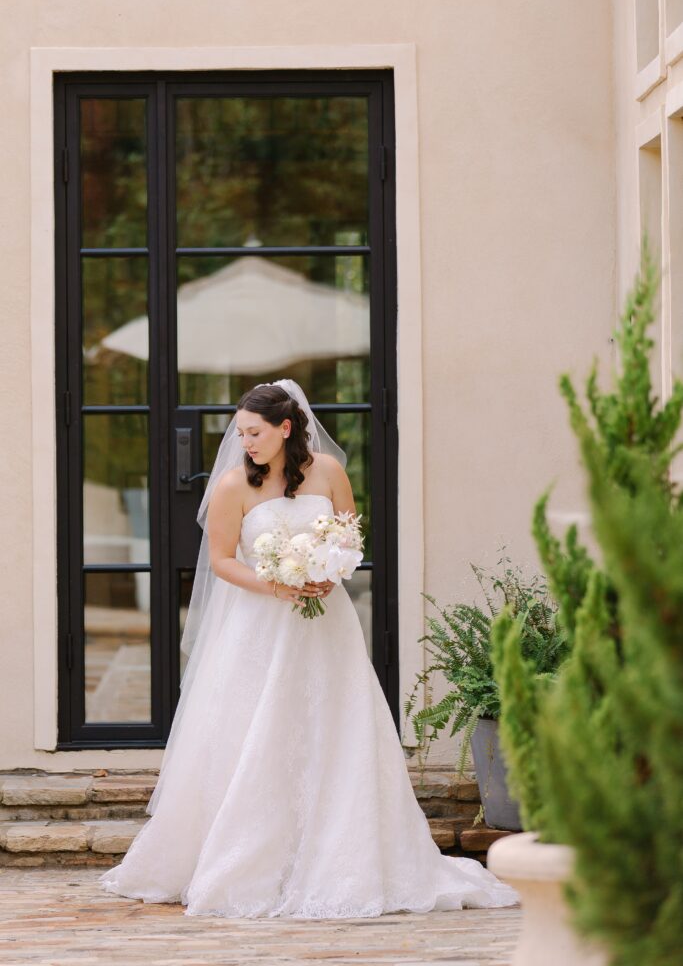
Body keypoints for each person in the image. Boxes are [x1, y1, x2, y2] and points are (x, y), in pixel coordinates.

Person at [99, 378, 518, 919]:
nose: (245, 441)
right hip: (261, 627)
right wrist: (278, 584)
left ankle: (343, 855)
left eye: (255, 432)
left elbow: (350, 536)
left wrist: (329, 568)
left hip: (327, 624)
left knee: (335, 725)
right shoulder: (233, 486)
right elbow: (223, 560)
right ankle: (249, 857)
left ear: (286, 429)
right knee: (261, 728)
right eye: (241, 433)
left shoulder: (328, 472)